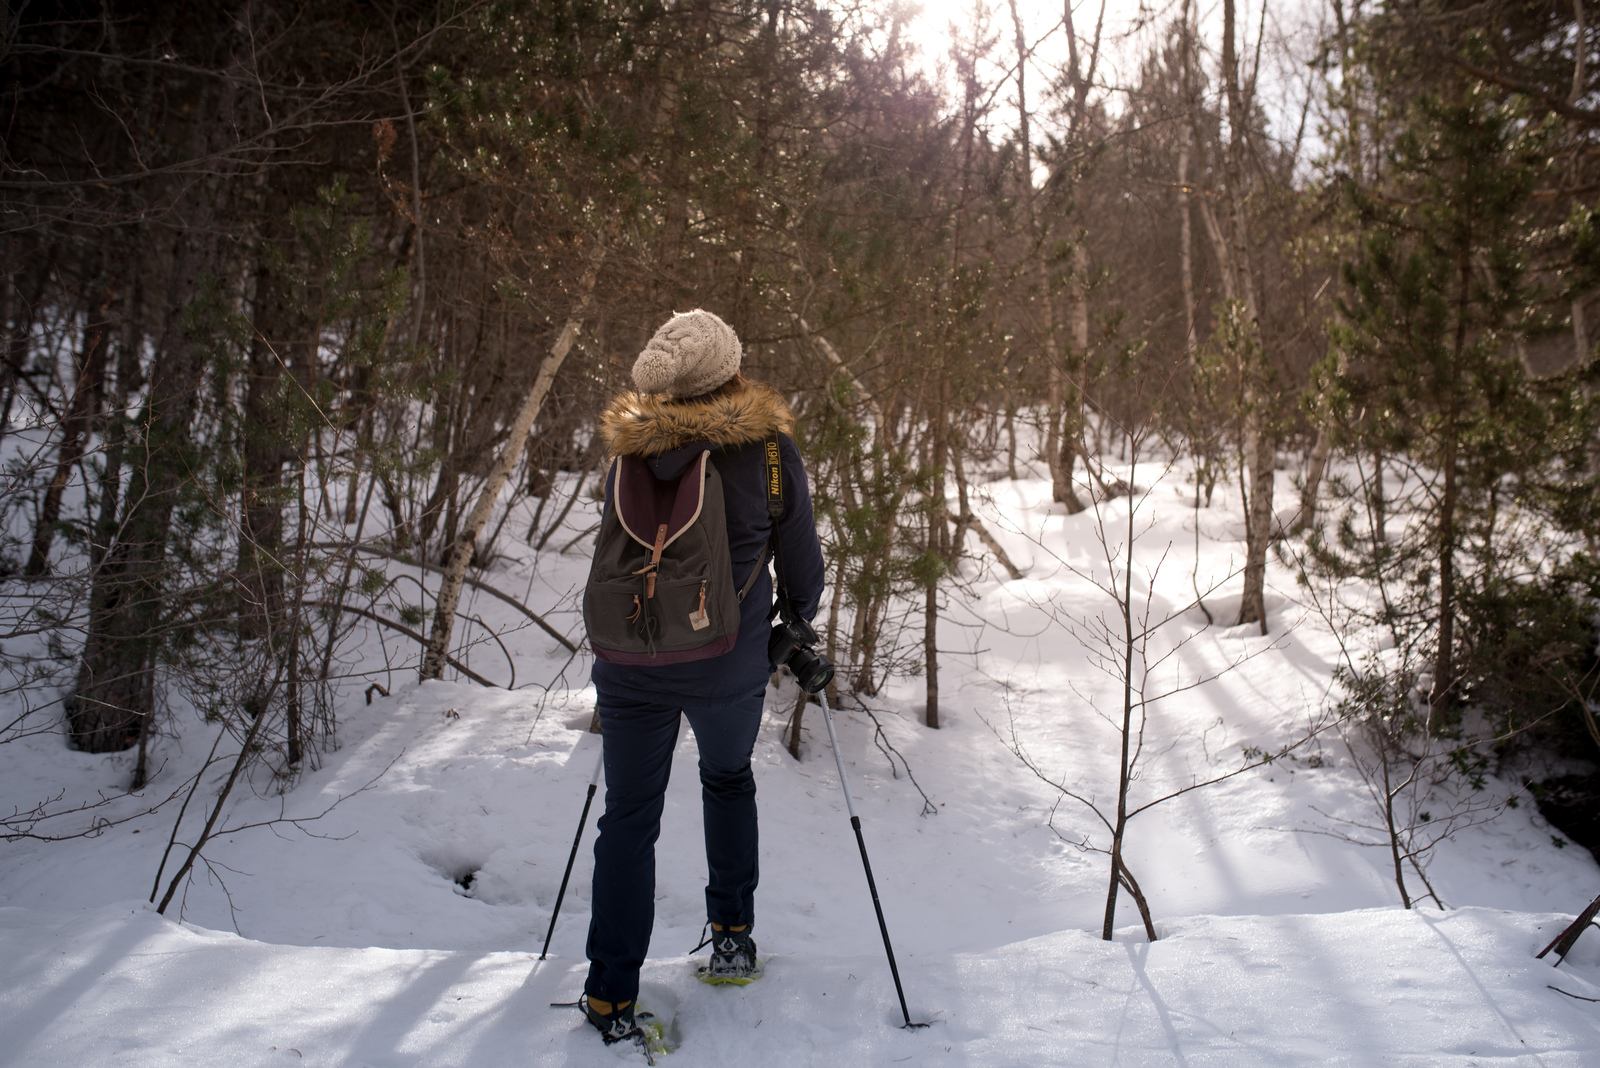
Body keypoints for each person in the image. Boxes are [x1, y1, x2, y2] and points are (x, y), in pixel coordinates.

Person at [580, 309, 825, 1044]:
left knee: (628, 817)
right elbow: (803, 563)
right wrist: (792, 629)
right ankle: (730, 939)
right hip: (727, 661)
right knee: (726, 780)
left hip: (630, 663)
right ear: (728, 371)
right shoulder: (768, 451)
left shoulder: (629, 450)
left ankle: (609, 997)